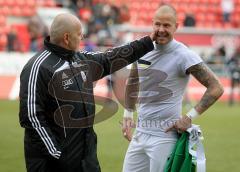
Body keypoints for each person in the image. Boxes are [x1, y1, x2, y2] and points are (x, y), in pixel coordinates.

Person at [19, 13, 157, 172]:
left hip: (86, 160)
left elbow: (111, 57)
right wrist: (56, 154)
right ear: (66, 38)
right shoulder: (37, 68)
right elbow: (31, 117)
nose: (82, 37)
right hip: (54, 164)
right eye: (79, 34)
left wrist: (147, 42)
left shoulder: (81, 60)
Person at [121, 5, 224, 172]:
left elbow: (216, 87)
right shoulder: (142, 48)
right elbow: (133, 81)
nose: (161, 30)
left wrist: (189, 117)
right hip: (140, 133)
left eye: (167, 25)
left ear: (177, 26)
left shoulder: (184, 54)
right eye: (158, 24)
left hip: (164, 137)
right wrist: (127, 114)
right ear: (152, 24)